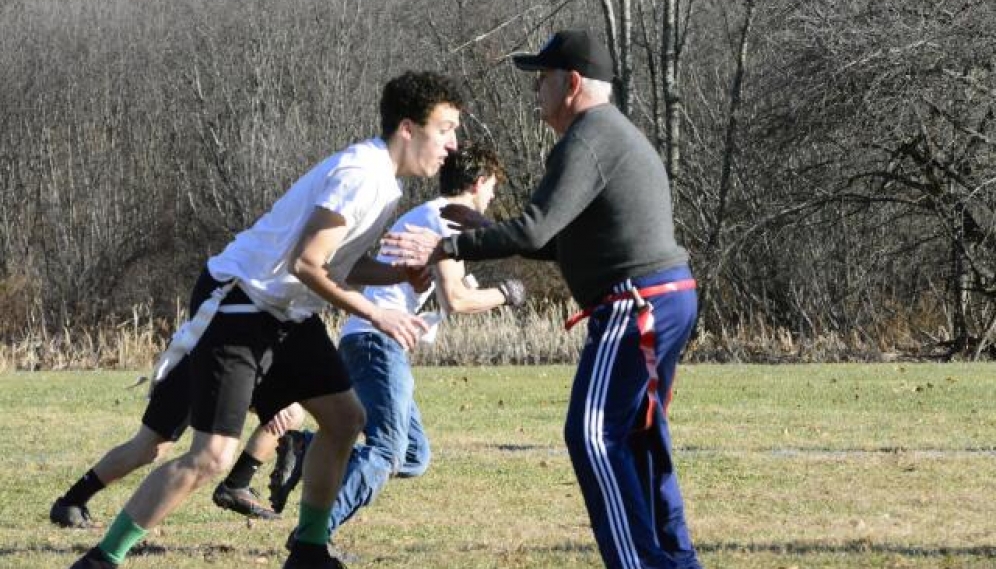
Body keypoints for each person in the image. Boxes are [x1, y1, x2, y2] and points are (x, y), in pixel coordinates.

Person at [68, 70, 463, 569]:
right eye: (445, 128)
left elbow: (336, 265)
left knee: (345, 420)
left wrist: (398, 272)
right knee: (211, 457)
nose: (453, 144)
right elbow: (306, 263)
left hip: (284, 312)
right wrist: (375, 312)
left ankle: (309, 549)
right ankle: (103, 558)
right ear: (408, 127)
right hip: (238, 305)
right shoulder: (362, 175)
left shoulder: (385, 185)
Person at [384, 30, 702, 569]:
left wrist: (448, 244)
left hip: (636, 304)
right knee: (639, 439)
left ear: (572, 82)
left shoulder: (587, 139)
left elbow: (532, 232)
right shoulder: (610, 135)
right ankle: (676, 560)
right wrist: (485, 228)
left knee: (594, 434)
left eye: (543, 80)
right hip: (661, 297)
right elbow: (556, 242)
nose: (537, 93)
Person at [267, 143, 526, 547]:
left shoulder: (427, 214)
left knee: (413, 456)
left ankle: (308, 447)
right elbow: (454, 300)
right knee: (387, 450)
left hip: (368, 343)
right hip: (377, 343)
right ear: (478, 183)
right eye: (491, 188)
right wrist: (507, 294)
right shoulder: (445, 221)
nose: (492, 198)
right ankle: (313, 536)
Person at [49, 353, 306, 528]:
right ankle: (71, 503)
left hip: (215, 365)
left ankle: (236, 486)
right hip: (205, 363)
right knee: (148, 448)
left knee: (292, 412)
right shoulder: (255, 290)